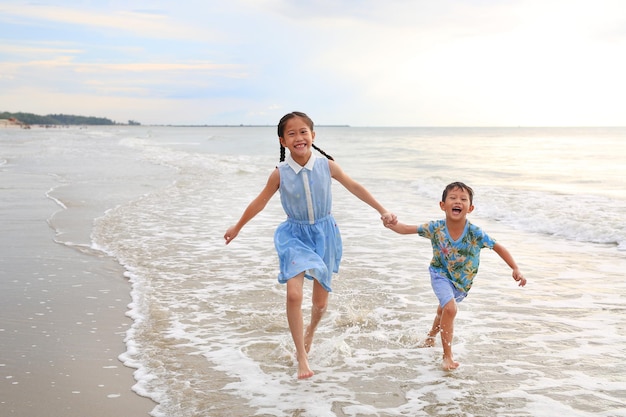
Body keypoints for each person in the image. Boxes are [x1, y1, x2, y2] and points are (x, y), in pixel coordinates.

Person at [224, 111, 396, 379]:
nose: (298, 137)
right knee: (294, 294)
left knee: (320, 305)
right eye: (291, 133)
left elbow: (354, 186)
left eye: (303, 132)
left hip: (325, 235)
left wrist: (382, 210)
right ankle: (302, 359)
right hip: (294, 235)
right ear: (283, 141)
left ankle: (310, 333)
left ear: (313, 136)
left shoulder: (327, 166)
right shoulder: (279, 173)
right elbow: (259, 202)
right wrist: (237, 226)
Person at [384, 181, 526, 370]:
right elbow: (406, 229)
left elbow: (498, 247)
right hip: (440, 274)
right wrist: (391, 224)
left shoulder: (475, 233)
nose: (457, 201)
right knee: (450, 309)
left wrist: (515, 267)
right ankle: (447, 356)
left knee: (444, 311)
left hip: (462, 282)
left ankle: (430, 338)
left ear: (470, 208)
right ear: (442, 205)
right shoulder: (436, 228)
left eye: (463, 199)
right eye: (452, 198)